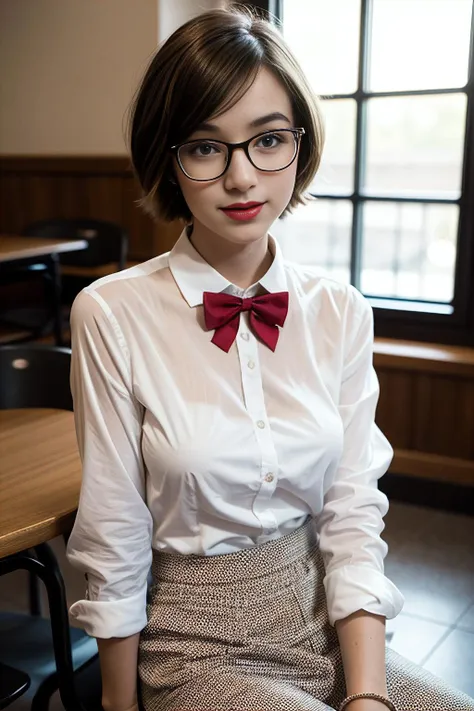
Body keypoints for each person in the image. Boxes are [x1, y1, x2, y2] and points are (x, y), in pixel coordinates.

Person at [65, 6, 474, 711]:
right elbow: (114, 528)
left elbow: (350, 513)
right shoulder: (111, 312)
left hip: (322, 617)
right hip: (192, 639)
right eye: (205, 146)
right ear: (169, 157)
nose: (242, 177)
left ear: (299, 142)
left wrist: (369, 695)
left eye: (268, 140)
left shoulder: (340, 309)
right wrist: (118, 703)